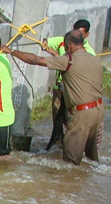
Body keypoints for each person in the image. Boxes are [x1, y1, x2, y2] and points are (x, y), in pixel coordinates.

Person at [8, 30, 105, 165]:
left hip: (82, 113)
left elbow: (36, 60)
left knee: (70, 162)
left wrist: (12, 52)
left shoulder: (69, 60)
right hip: (98, 110)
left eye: (65, 47)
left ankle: (69, 185)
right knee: (91, 158)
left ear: (69, 46)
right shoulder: (94, 59)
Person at [40, 19, 97, 151]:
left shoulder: (89, 53)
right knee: (58, 122)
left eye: (80, 34)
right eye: (74, 33)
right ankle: (59, 147)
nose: (76, 37)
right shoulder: (63, 41)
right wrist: (43, 43)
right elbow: (45, 42)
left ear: (87, 35)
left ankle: (73, 148)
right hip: (59, 90)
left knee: (72, 123)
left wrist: (54, 54)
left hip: (75, 93)